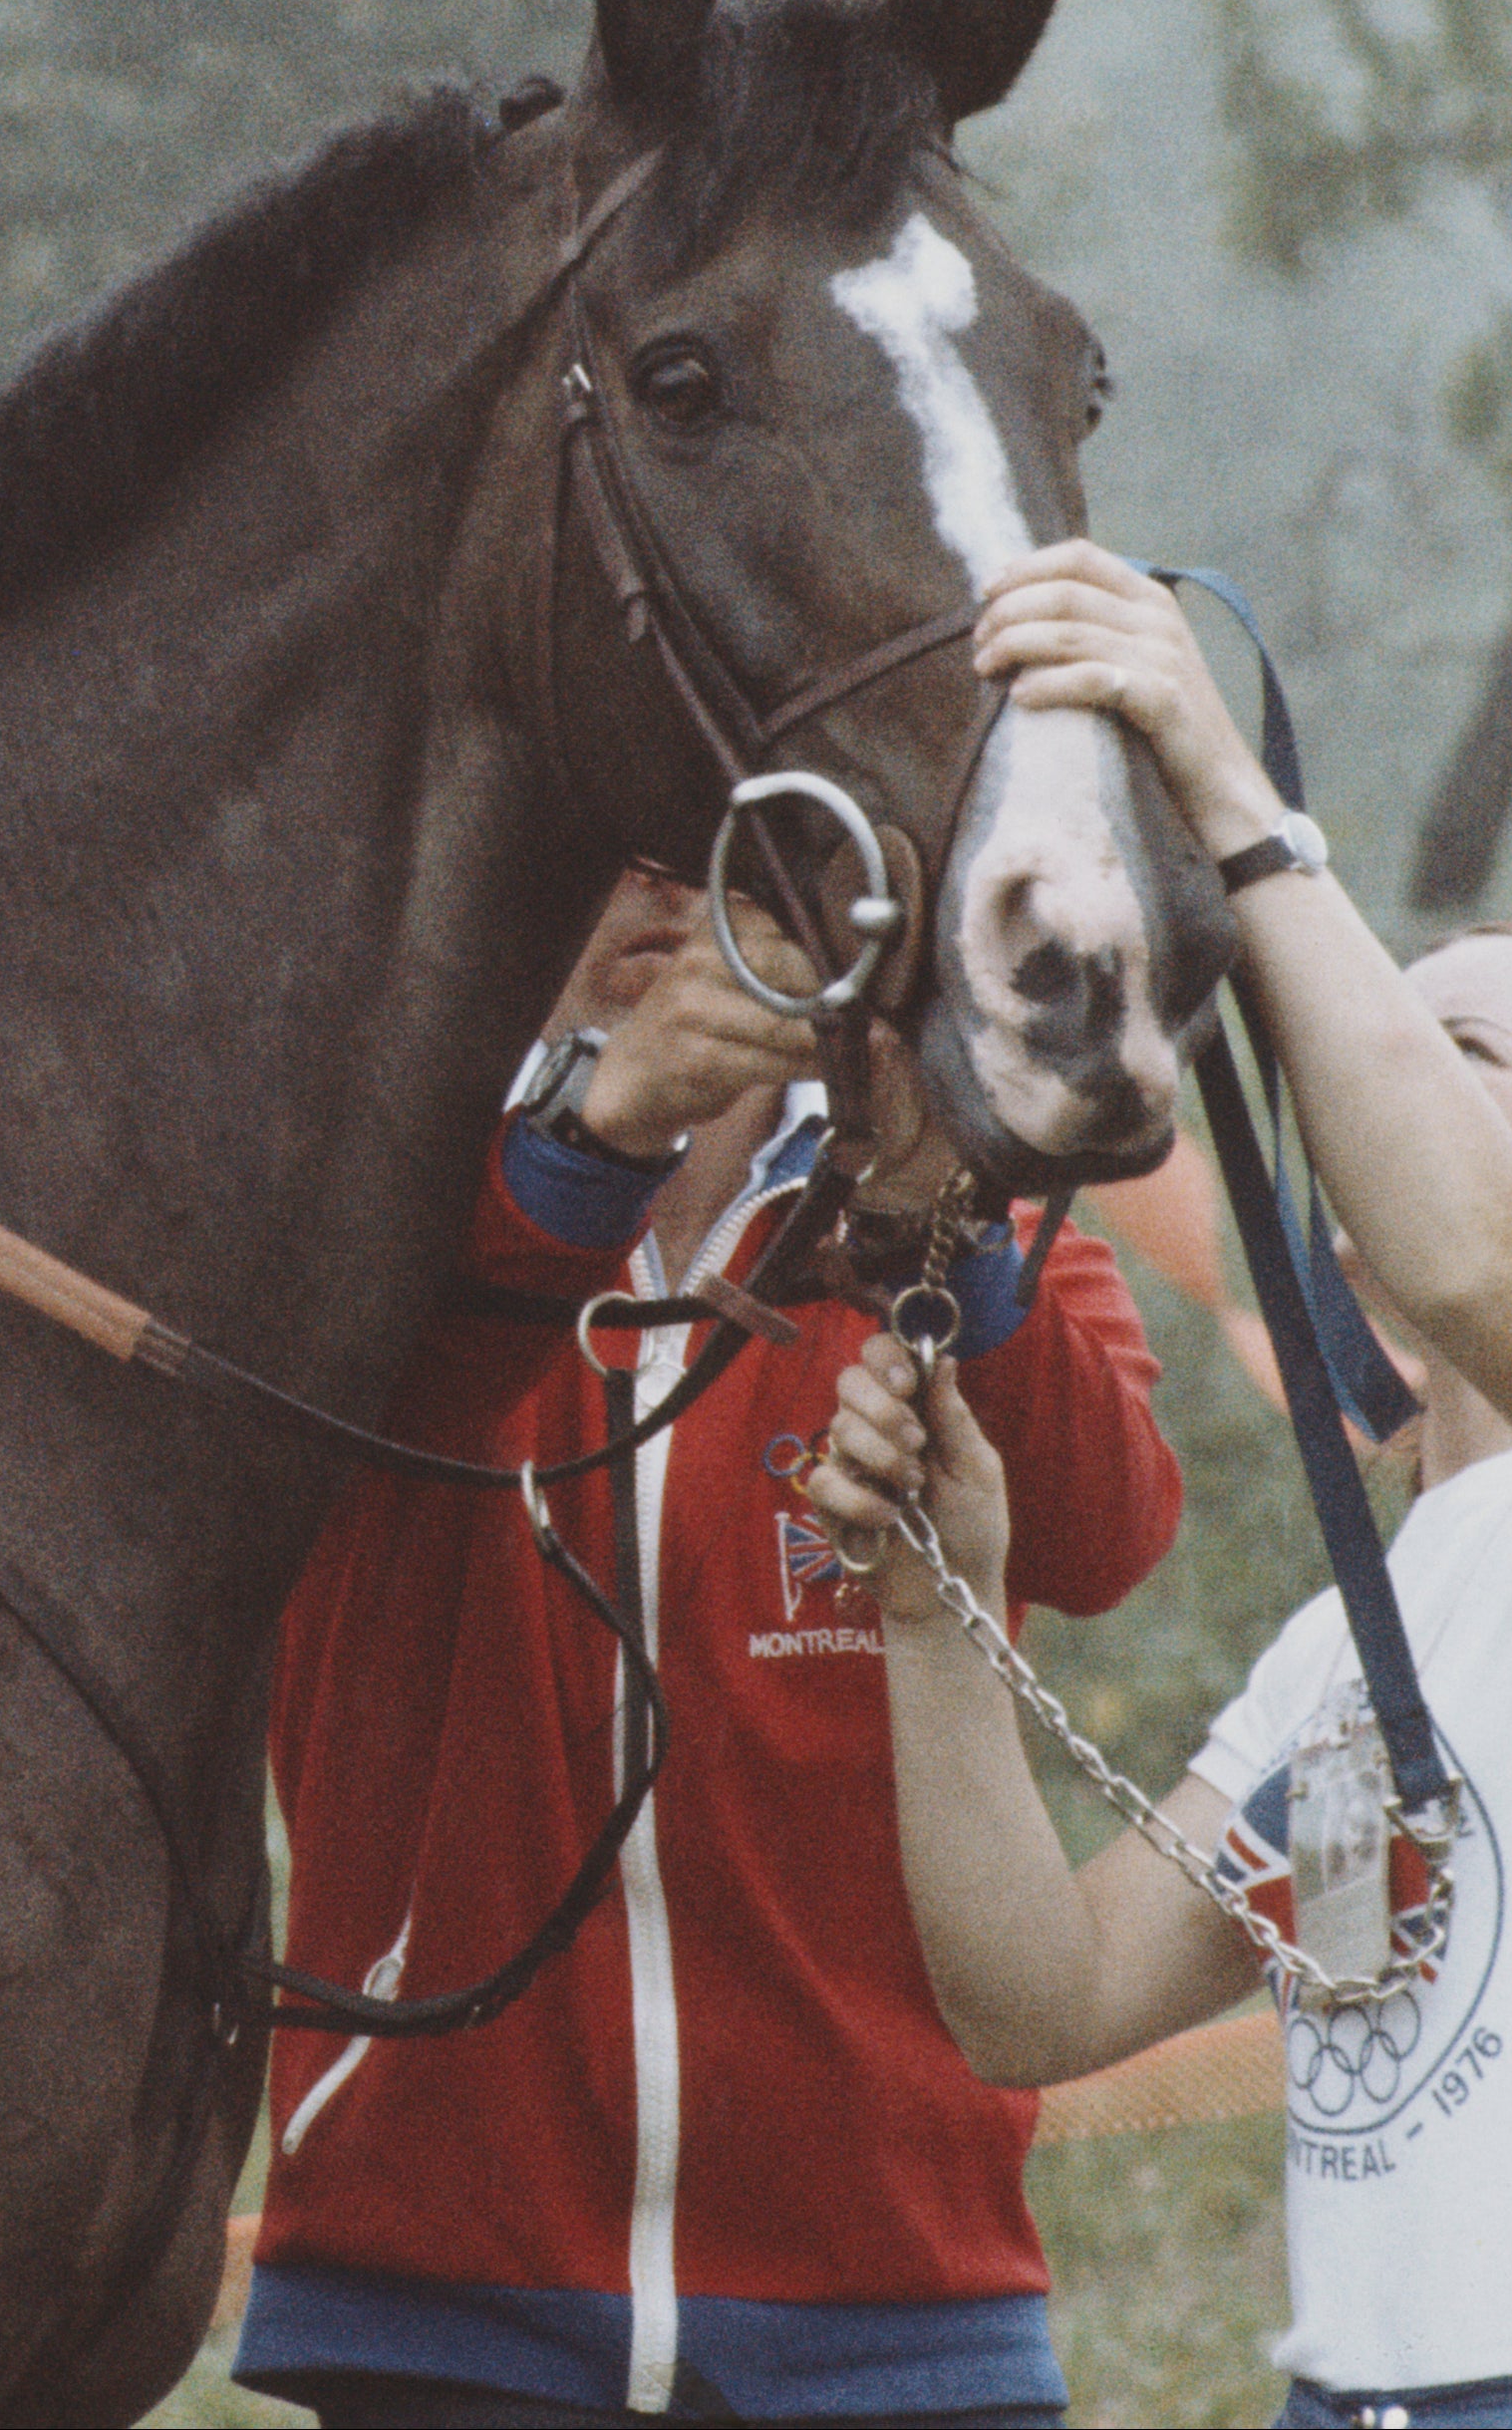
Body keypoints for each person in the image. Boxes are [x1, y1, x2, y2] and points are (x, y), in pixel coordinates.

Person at [807, 540, 1512, 2430]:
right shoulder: (1343, 1646)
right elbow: (1037, 2003)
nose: (1381, 1115)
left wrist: (1233, 797)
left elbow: (1473, 1261)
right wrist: (930, 1610)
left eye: (1458, 1057)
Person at [242, 866, 1186, 2427]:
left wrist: (925, 1222)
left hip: (893, 2290)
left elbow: (1108, 1533)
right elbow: (339, 1441)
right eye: (612, 842)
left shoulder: (941, 1202)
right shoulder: (373, 1186)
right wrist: (582, 1150)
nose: (670, 892)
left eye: (726, 848)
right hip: (439, 2285)